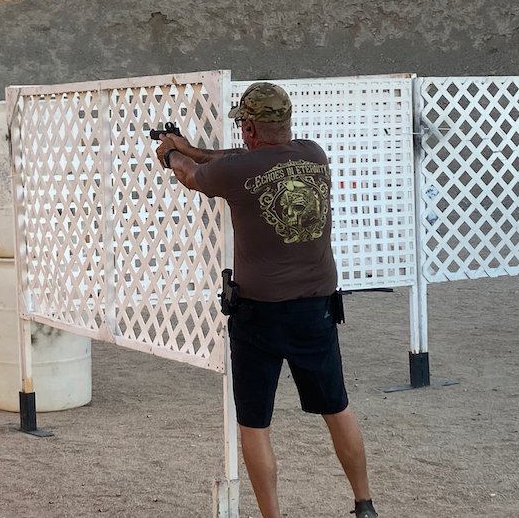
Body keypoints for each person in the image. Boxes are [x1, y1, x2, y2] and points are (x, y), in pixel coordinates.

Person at [154, 82, 378, 518]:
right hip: (316, 309)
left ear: (251, 128)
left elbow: (194, 175)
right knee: (337, 409)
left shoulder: (239, 170)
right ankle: (364, 503)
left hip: (259, 314)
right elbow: (239, 160)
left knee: (255, 425)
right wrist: (191, 147)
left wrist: (170, 154)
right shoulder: (313, 154)